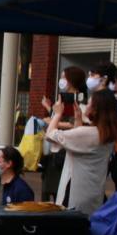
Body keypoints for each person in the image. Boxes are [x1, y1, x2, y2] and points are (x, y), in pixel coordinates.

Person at [45, 90, 117, 216]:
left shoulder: (88, 133)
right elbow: (79, 144)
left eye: (89, 103)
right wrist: (78, 118)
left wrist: (57, 114)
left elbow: (50, 135)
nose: (86, 105)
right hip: (92, 192)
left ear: (95, 110)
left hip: (75, 194)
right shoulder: (108, 134)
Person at [40, 66, 87, 201]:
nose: (61, 81)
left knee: (59, 193)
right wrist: (50, 111)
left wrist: (54, 123)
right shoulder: (62, 100)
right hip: (53, 152)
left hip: (64, 153)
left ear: (71, 80)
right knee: (48, 191)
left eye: (63, 78)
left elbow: (76, 123)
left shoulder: (80, 102)